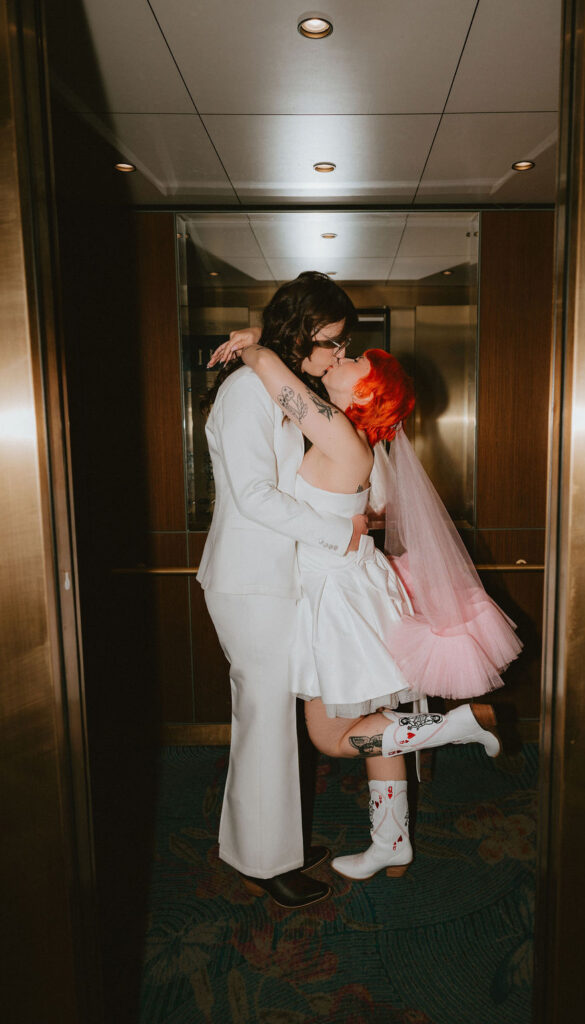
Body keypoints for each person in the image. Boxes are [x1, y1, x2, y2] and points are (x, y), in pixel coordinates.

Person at [214, 330, 522, 882]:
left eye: (354, 360)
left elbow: (285, 391)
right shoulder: (354, 437)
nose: (343, 357)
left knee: (331, 736)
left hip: (336, 601)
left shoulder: (339, 432)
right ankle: (391, 842)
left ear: (364, 397)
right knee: (376, 721)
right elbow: (370, 504)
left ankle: (459, 726)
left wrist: (259, 350)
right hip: (354, 589)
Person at [198, 272, 369, 910]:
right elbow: (254, 496)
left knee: (273, 721)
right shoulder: (246, 393)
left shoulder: (272, 384)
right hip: (248, 580)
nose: (334, 356)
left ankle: (274, 845)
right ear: (300, 333)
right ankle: (261, 861)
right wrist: (338, 534)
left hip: (273, 577)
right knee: (264, 721)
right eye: (328, 342)